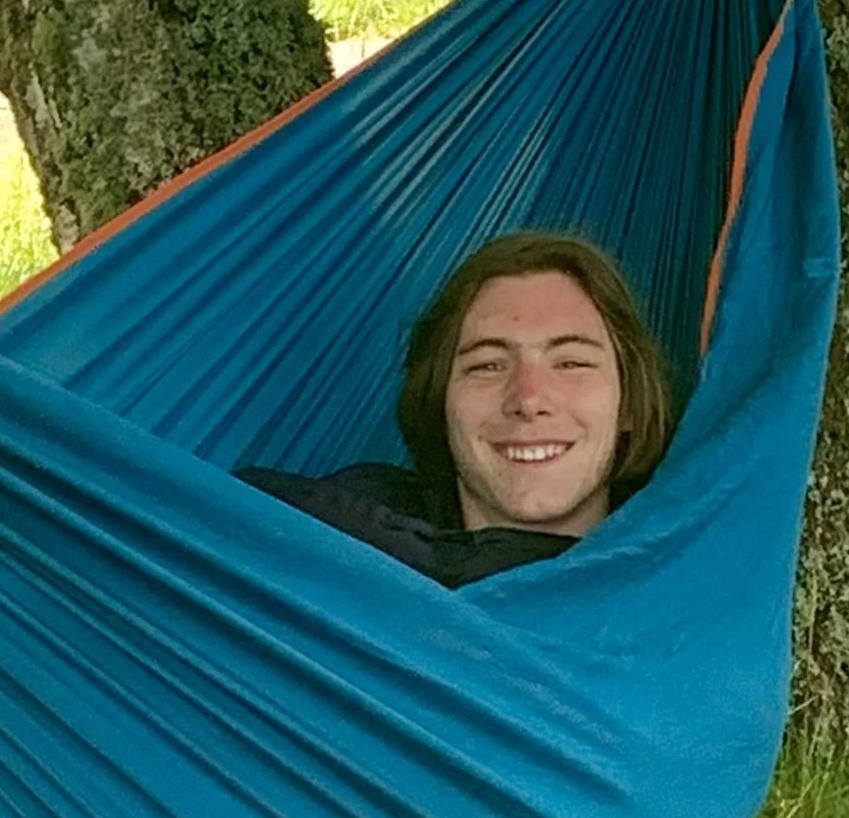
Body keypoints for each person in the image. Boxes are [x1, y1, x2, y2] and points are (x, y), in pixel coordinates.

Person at [240, 230, 674, 588]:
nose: (528, 399)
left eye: (571, 363)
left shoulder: (684, 587)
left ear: (630, 405)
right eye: (487, 365)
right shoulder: (324, 549)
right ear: (440, 402)